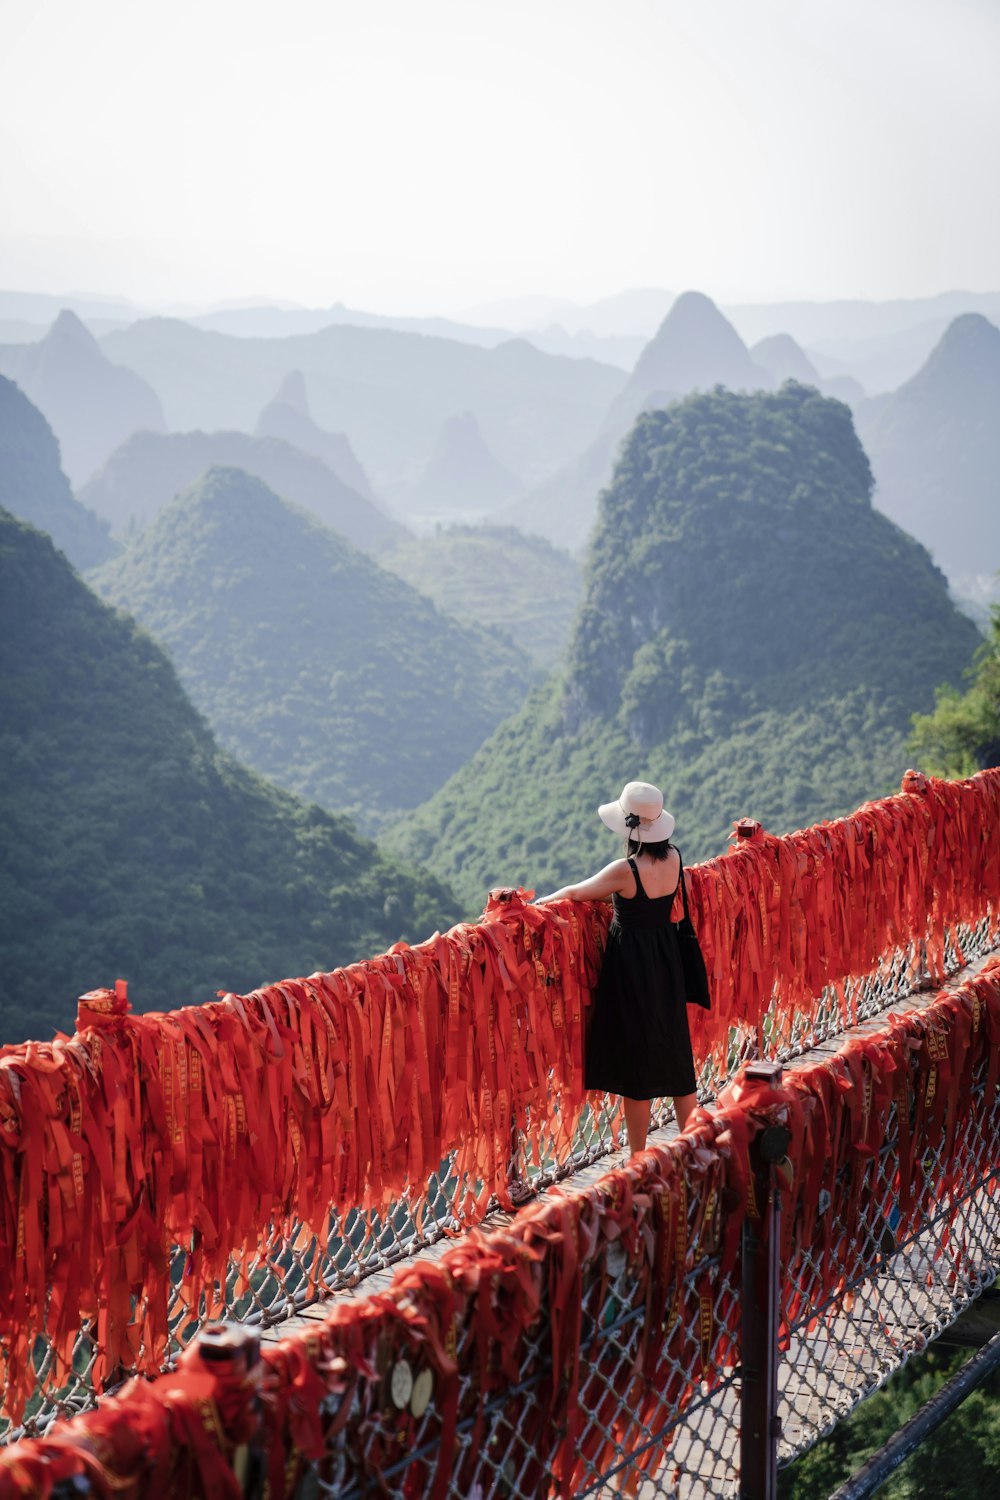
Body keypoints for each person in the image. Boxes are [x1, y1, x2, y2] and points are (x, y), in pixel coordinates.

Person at [535, 781, 698, 1154]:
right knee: (674, 1046)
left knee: (636, 1061)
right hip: (666, 958)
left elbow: (577, 892)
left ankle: (638, 1156)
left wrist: (543, 902)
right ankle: (692, 1144)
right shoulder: (675, 857)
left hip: (633, 968)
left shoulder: (626, 871)